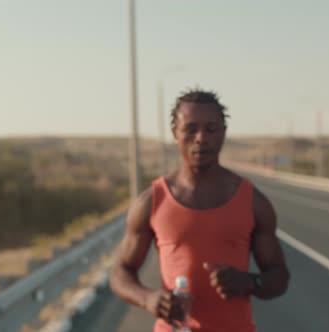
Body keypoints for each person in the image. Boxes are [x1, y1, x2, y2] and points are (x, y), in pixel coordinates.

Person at [110, 88, 290, 332]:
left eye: (211, 129)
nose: (201, 138)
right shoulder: (153, 201)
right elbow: (120, 272)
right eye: (190, 129)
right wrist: (148, 298)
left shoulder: (253, 202)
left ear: (223, 134)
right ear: (175, 133)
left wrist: (250, 282)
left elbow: (279, 276)